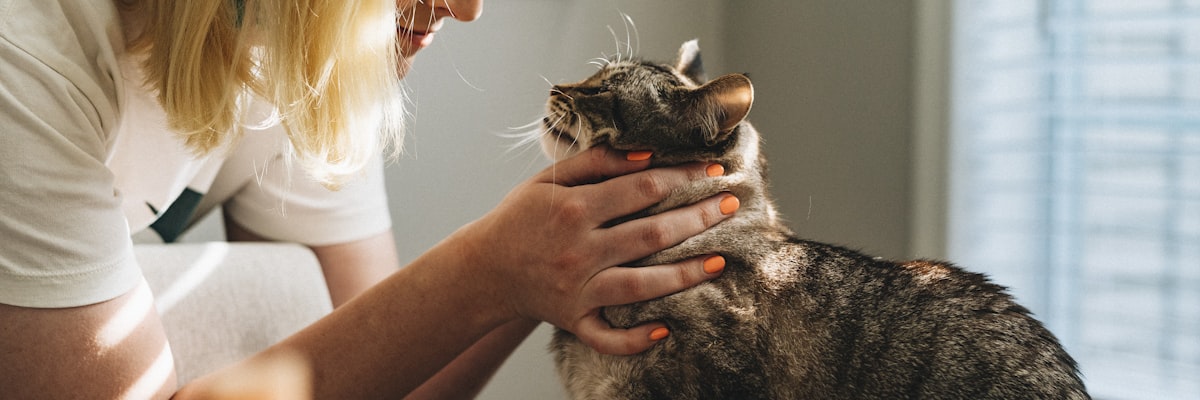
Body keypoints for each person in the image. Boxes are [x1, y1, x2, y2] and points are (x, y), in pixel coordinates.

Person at [0, 0, 738, 398]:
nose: (468, 8)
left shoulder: (295, 43)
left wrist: (551, 268)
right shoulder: (26, 60)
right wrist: (491, 268)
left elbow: (383, 378)